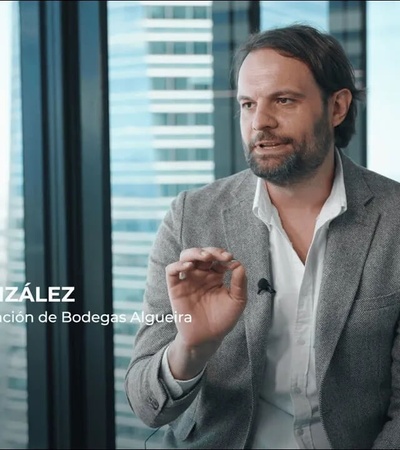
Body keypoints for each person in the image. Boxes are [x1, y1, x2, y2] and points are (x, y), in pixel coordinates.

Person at [125, 24, 400, 449]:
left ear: (338, 107)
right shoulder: (190, 217)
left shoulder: (395, 218)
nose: (261, 123)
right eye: (248, 104)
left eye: (283, 100)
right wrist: (192, 348)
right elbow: (148, 405)